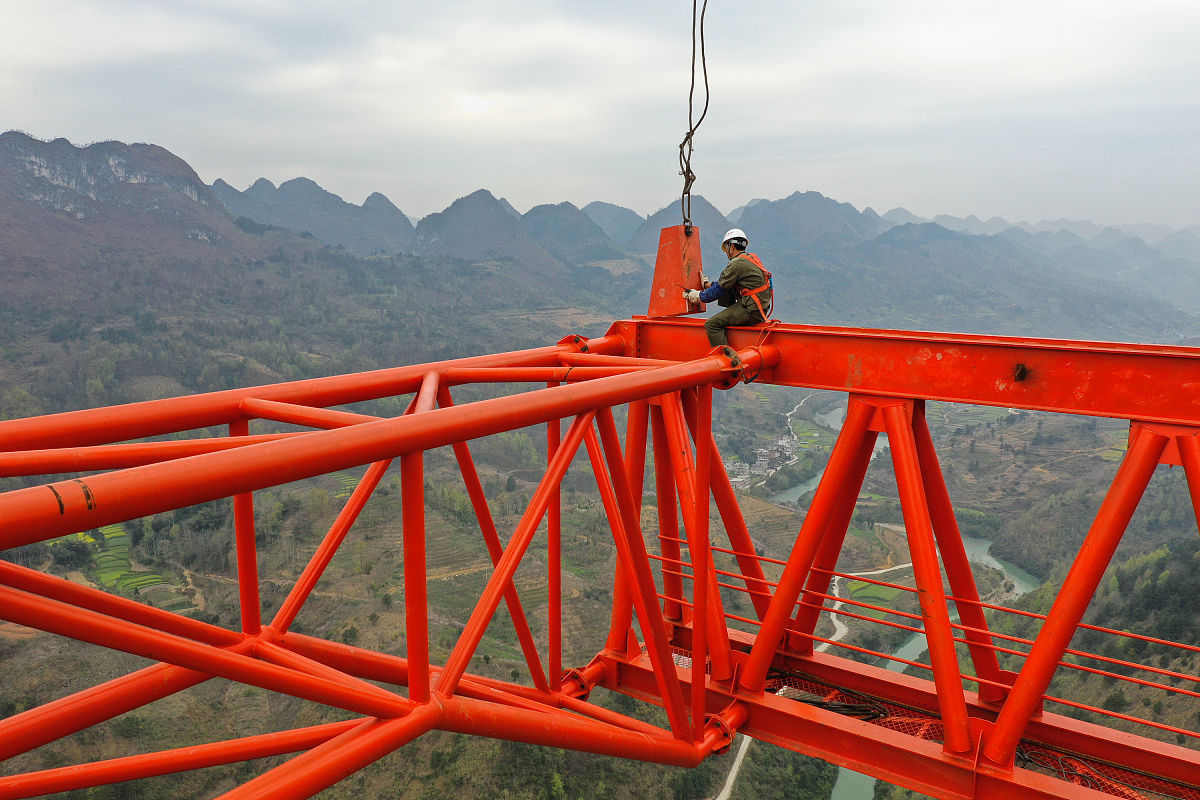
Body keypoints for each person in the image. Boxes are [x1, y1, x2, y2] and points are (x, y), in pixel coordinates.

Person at [683, 228, 773, 351]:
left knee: (712, 324)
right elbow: (725, 283)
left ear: (731, 246)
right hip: (759, 307)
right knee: (727, 289)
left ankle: (727, 358)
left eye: (726, 248)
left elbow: (719, 289)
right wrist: (706, 285)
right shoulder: (750, 258)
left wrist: (698, 296)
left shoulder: (736, 264)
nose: (726, 252)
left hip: (751, 310)